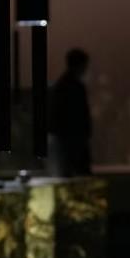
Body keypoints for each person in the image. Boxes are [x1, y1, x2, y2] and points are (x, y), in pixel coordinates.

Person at [49, 48, 92, 176]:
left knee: (67, 170)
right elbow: (80, 113)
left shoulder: (62, 85)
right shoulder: (75, 86)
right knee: (78, 170)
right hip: (73, 136)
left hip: (66, 136)